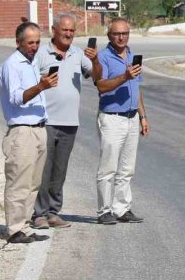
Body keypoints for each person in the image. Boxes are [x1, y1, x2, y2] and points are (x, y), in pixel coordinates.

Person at [32, 12, 101, 230]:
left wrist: (95, 60)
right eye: (65, 30)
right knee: (43, 170)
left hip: (70, 122)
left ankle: (53, 212)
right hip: (45, 121)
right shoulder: (41, 53)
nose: (69, 34)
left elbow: (97, 77)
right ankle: (39, 214)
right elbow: (30, 81)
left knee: (59, 171)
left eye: (72, 30)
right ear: (54, 30)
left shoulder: (78, 54)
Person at [0, 21, 57, 244]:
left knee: (33, 183)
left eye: (37, 42)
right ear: (18, 42)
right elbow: (16, 98)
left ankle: (24, 225)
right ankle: (14, 229)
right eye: (30, 42)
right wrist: (41, 86)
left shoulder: (32, 63)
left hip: (39, 128)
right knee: (18, 182)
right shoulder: (12, 64)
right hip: (22, 131)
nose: (34, 46)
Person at [94, 18, 150, 224]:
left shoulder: (132, 56)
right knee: (108, 168)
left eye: (125, 33)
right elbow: (101, 86)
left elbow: (137, 88)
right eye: (117, 34)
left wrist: (142, 116)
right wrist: (124, 77)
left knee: (127, 168)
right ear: (109, 35)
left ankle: (122, 208)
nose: (121, 37)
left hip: (132, 117)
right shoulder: (102, 57)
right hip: (112, 118)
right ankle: (104, 211)